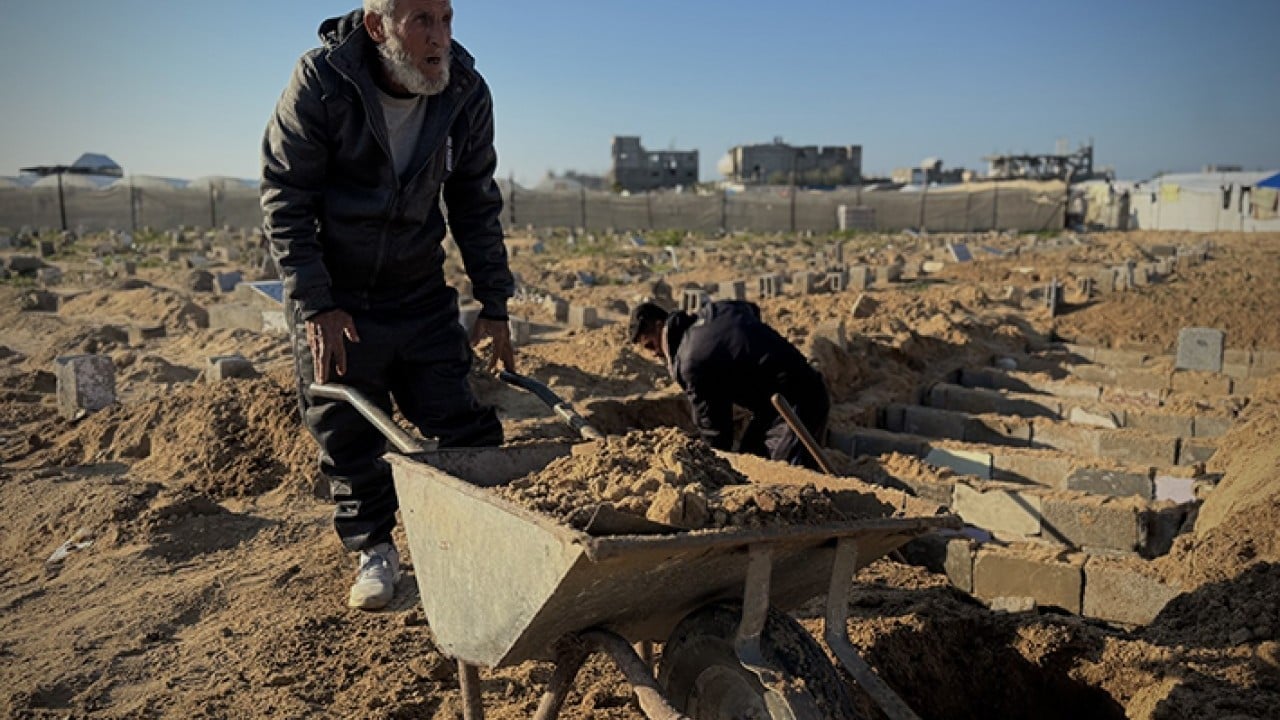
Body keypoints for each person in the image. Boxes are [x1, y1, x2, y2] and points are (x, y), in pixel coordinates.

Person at [261, 0, 514, 610]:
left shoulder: (465, 93)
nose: (440, 37)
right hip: (339, 296)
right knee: (347, 430)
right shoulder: (324, 83)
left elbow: (476, 202)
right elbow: (286, 196)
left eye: (447, 19)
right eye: (421, 20)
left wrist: (495, 302)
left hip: (419, 289)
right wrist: (317, 305)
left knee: (460, 417)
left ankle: (483, 534)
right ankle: (375, 546)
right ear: (379, 27)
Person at [628, 300, 830, 469]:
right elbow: (751, 310)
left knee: (788, 477)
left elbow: (714, 429)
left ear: (659, 325)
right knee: (751, 458)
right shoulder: (717, 310)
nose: (654, 353)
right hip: (775, 403)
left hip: (797, 403)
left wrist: (715, 468)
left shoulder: (690, 362)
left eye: (651, 345)